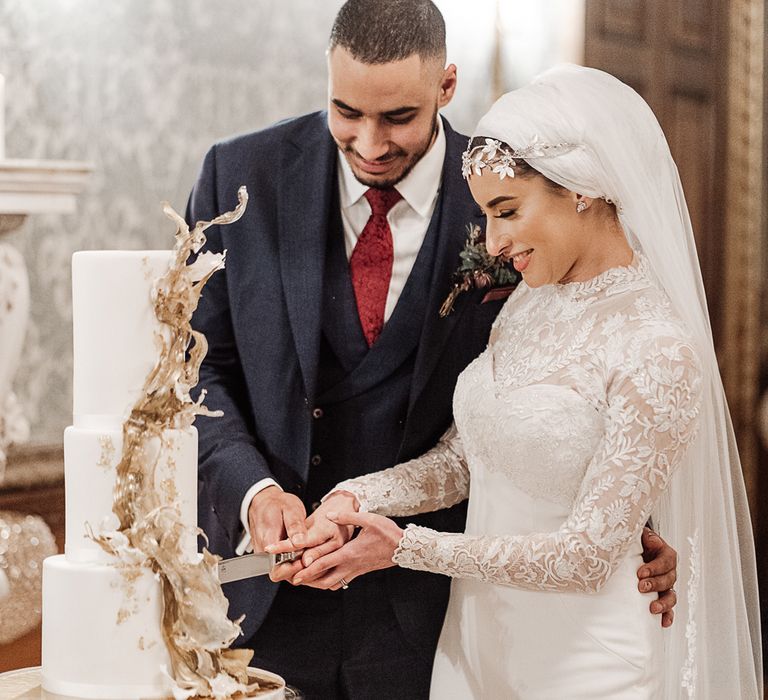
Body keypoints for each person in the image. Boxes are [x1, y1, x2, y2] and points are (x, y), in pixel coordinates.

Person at [188, 2, 678, 697]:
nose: (368, 142)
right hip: (264, 604)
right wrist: (254, 492)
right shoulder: (240, 176)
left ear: (446, 87)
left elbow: (594, 372)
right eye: (346, 111)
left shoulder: (516, 194)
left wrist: (635, 527)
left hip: (434, 616)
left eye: (397, 118)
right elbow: (197, 364)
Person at [283, 65, 764, 698]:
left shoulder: (656, 347)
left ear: (581, 189)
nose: (495, 241)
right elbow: (464, 461)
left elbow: (587, 556)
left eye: (507, 211)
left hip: (587, 665)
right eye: (486, 216)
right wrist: (358, 497)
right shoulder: (529, 303)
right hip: (477, 645)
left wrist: (405, 549)